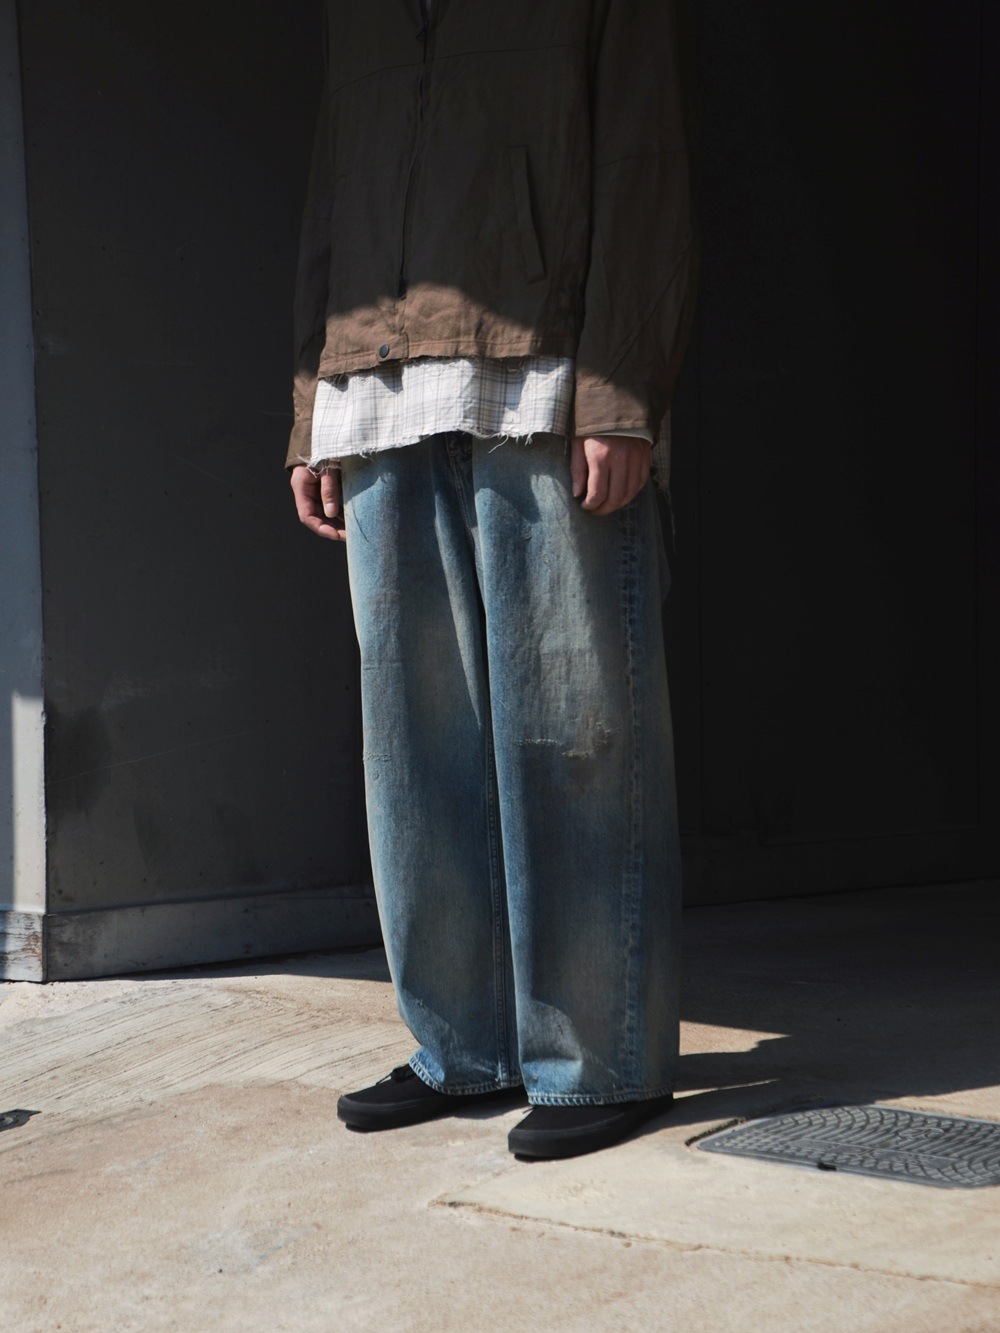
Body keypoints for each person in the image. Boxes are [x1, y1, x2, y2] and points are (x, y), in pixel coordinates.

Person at [288, 0, 696, 1159]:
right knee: (415, 751)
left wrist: (619, 394)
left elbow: (644, 169)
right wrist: (310, 411)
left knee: (571, 734)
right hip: (376, 393)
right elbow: (330, 198)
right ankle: (461, 1045)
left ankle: (598, 1058)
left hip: (544, 381)